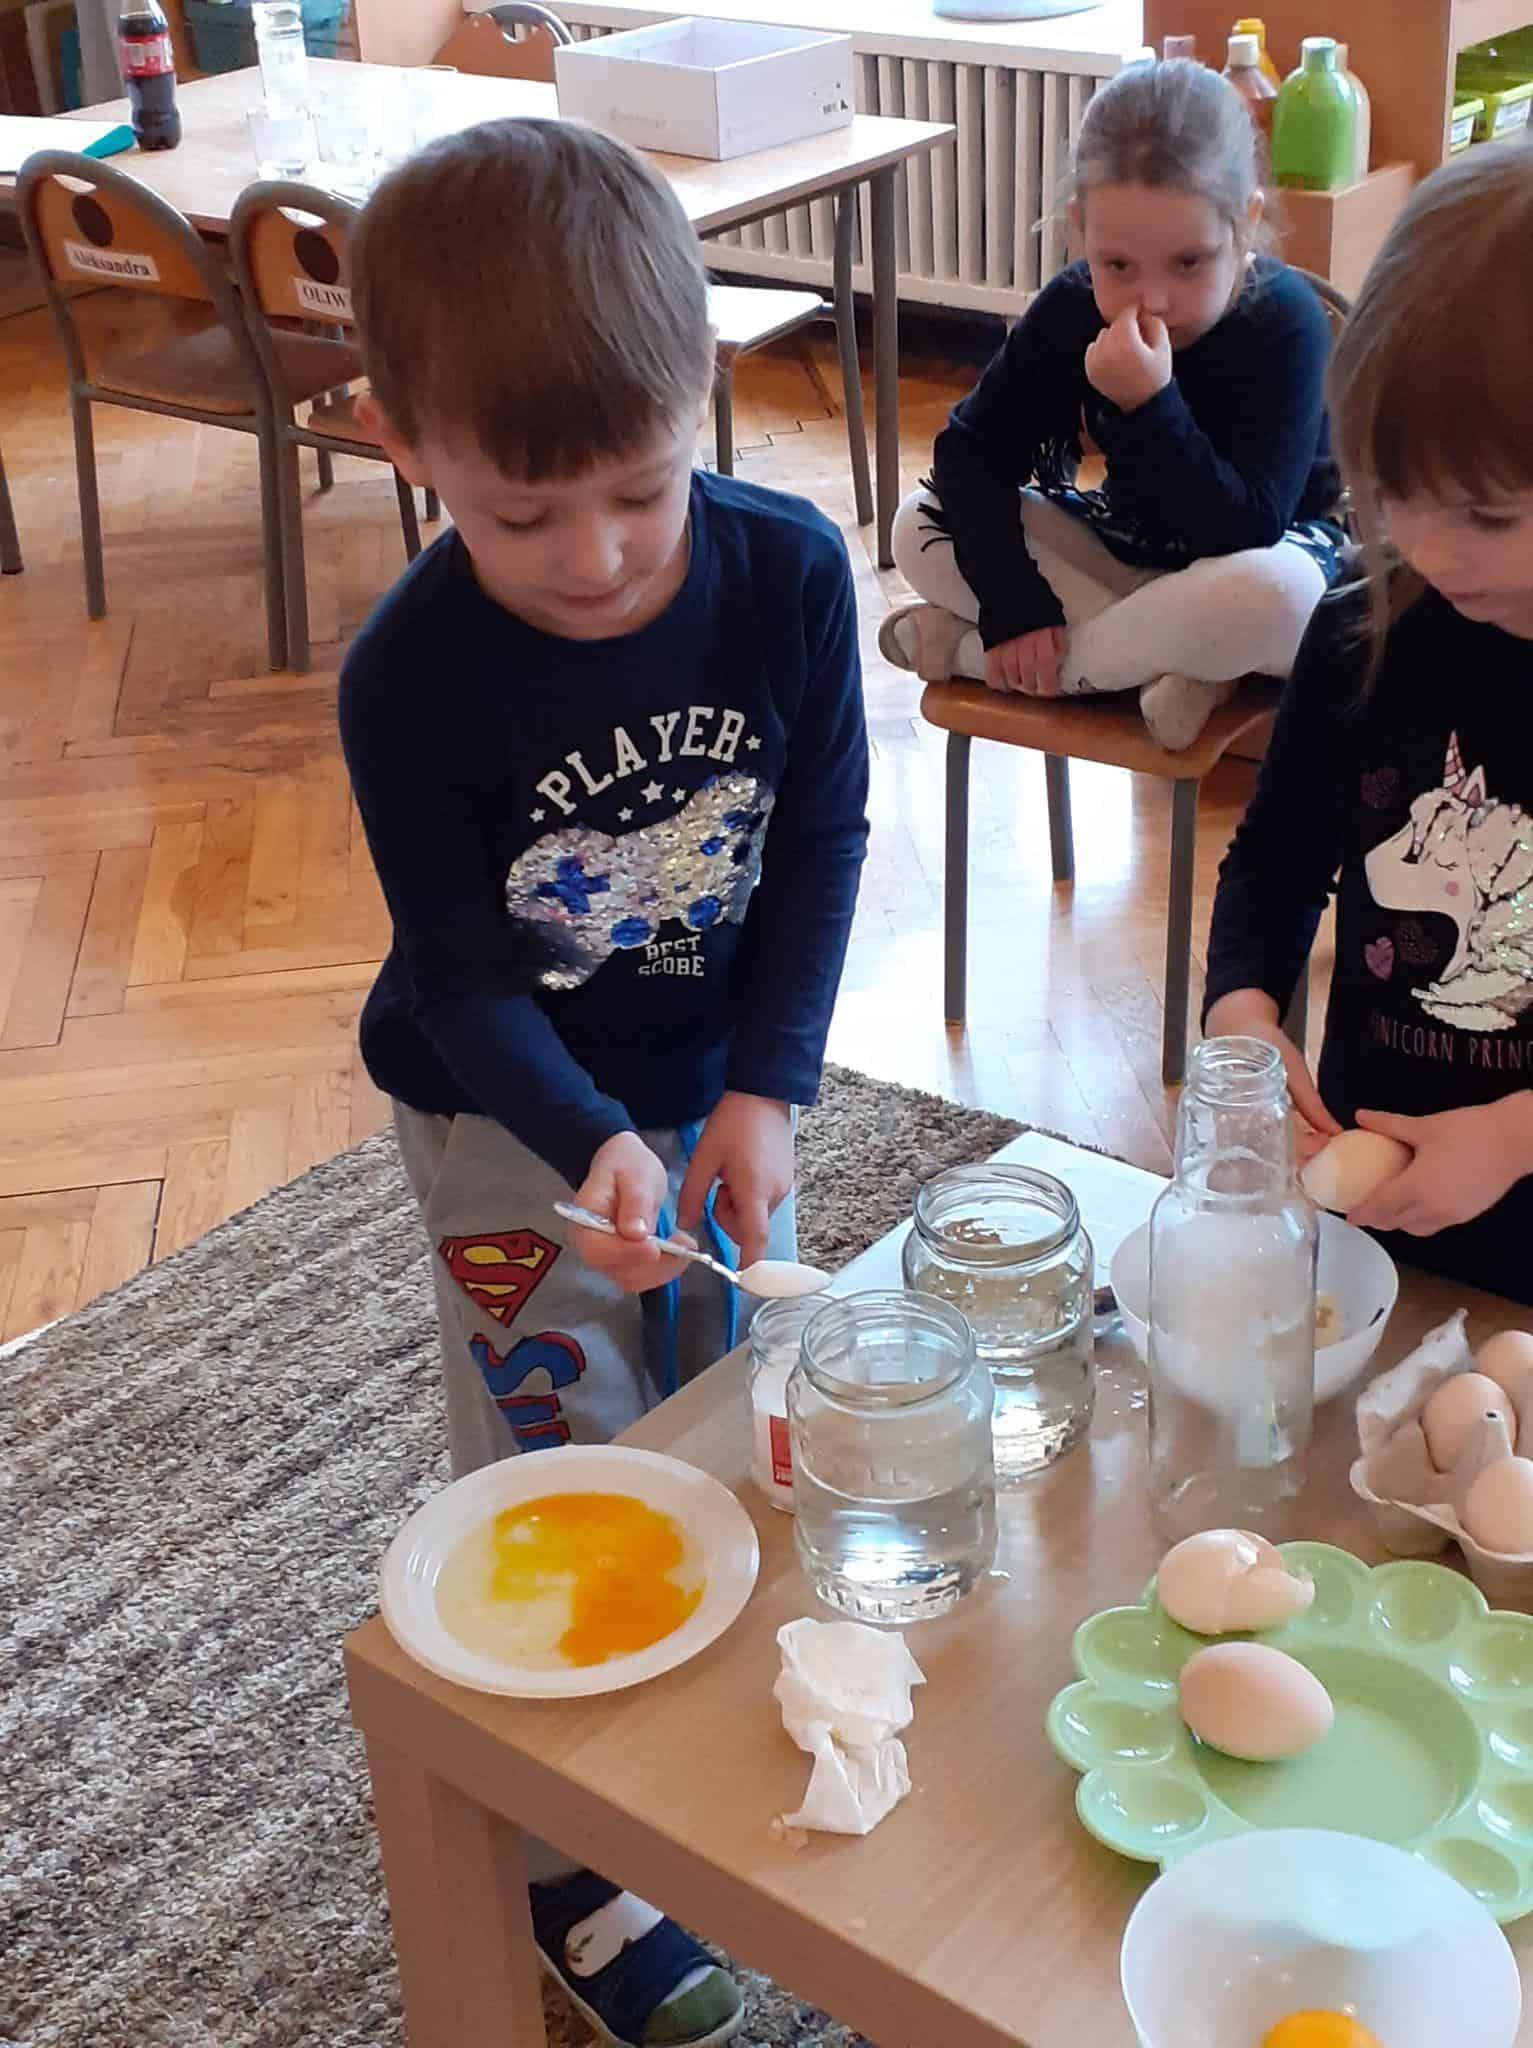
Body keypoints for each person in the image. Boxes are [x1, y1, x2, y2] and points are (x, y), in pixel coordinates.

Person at [338, 119, 869, 2047]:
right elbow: (462, 978)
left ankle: (692, 1730)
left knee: (724, 1406)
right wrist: (590, 1139)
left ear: (704, 379)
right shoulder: (408, 675)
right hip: (508, 1117)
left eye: (640, 490)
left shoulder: (787, 573)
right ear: (401, 441)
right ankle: (568, 1863)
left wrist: (766, 1088)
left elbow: (817, 843)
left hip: (715, 1088)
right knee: (558, 1453)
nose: (598, 556)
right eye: (522, 516)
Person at [1205, 142, 1533, 1303]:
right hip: (1374, 1225)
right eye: (1394, 496)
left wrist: (1514, 1136)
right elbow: (1277, 858)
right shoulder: (1365, 628)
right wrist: (1242, 1007)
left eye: (1483, 513)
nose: (1433, 551)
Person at [880, 58, 1345, 751]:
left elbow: (1243, 528)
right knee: (918, 523)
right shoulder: (1071, 306)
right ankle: (1175, 669)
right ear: (1080, 231)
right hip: (1130, 552)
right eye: (1117, 265)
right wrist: (1015, 603)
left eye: (1189, 262)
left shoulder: (1284, 321)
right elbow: (969, 452)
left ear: (1245, 224)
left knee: (1272, 598)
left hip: (1262, 556)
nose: (1152, 297)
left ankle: (973, 657)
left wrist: (1147, 405)